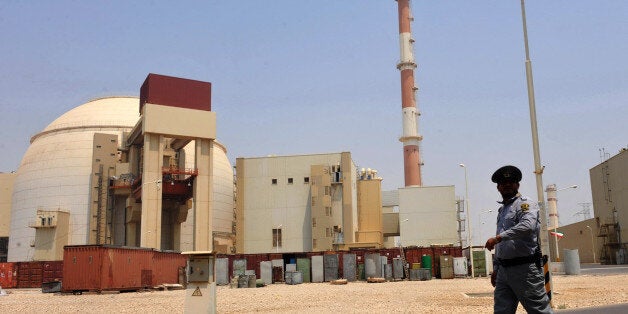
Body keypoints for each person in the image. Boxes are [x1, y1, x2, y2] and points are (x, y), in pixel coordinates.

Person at [484, 165, 552, 314]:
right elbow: (503, 246)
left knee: (539, 311)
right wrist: (496, 268)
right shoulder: (502, 211)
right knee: (502, 311)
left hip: (525, 269)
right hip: (503, 272)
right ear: (498, 187)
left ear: (517, 185)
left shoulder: (524, 204)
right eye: (503, 183)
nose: (507, 185)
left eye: (511, 182)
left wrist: (498, 238)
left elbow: (528, 226)